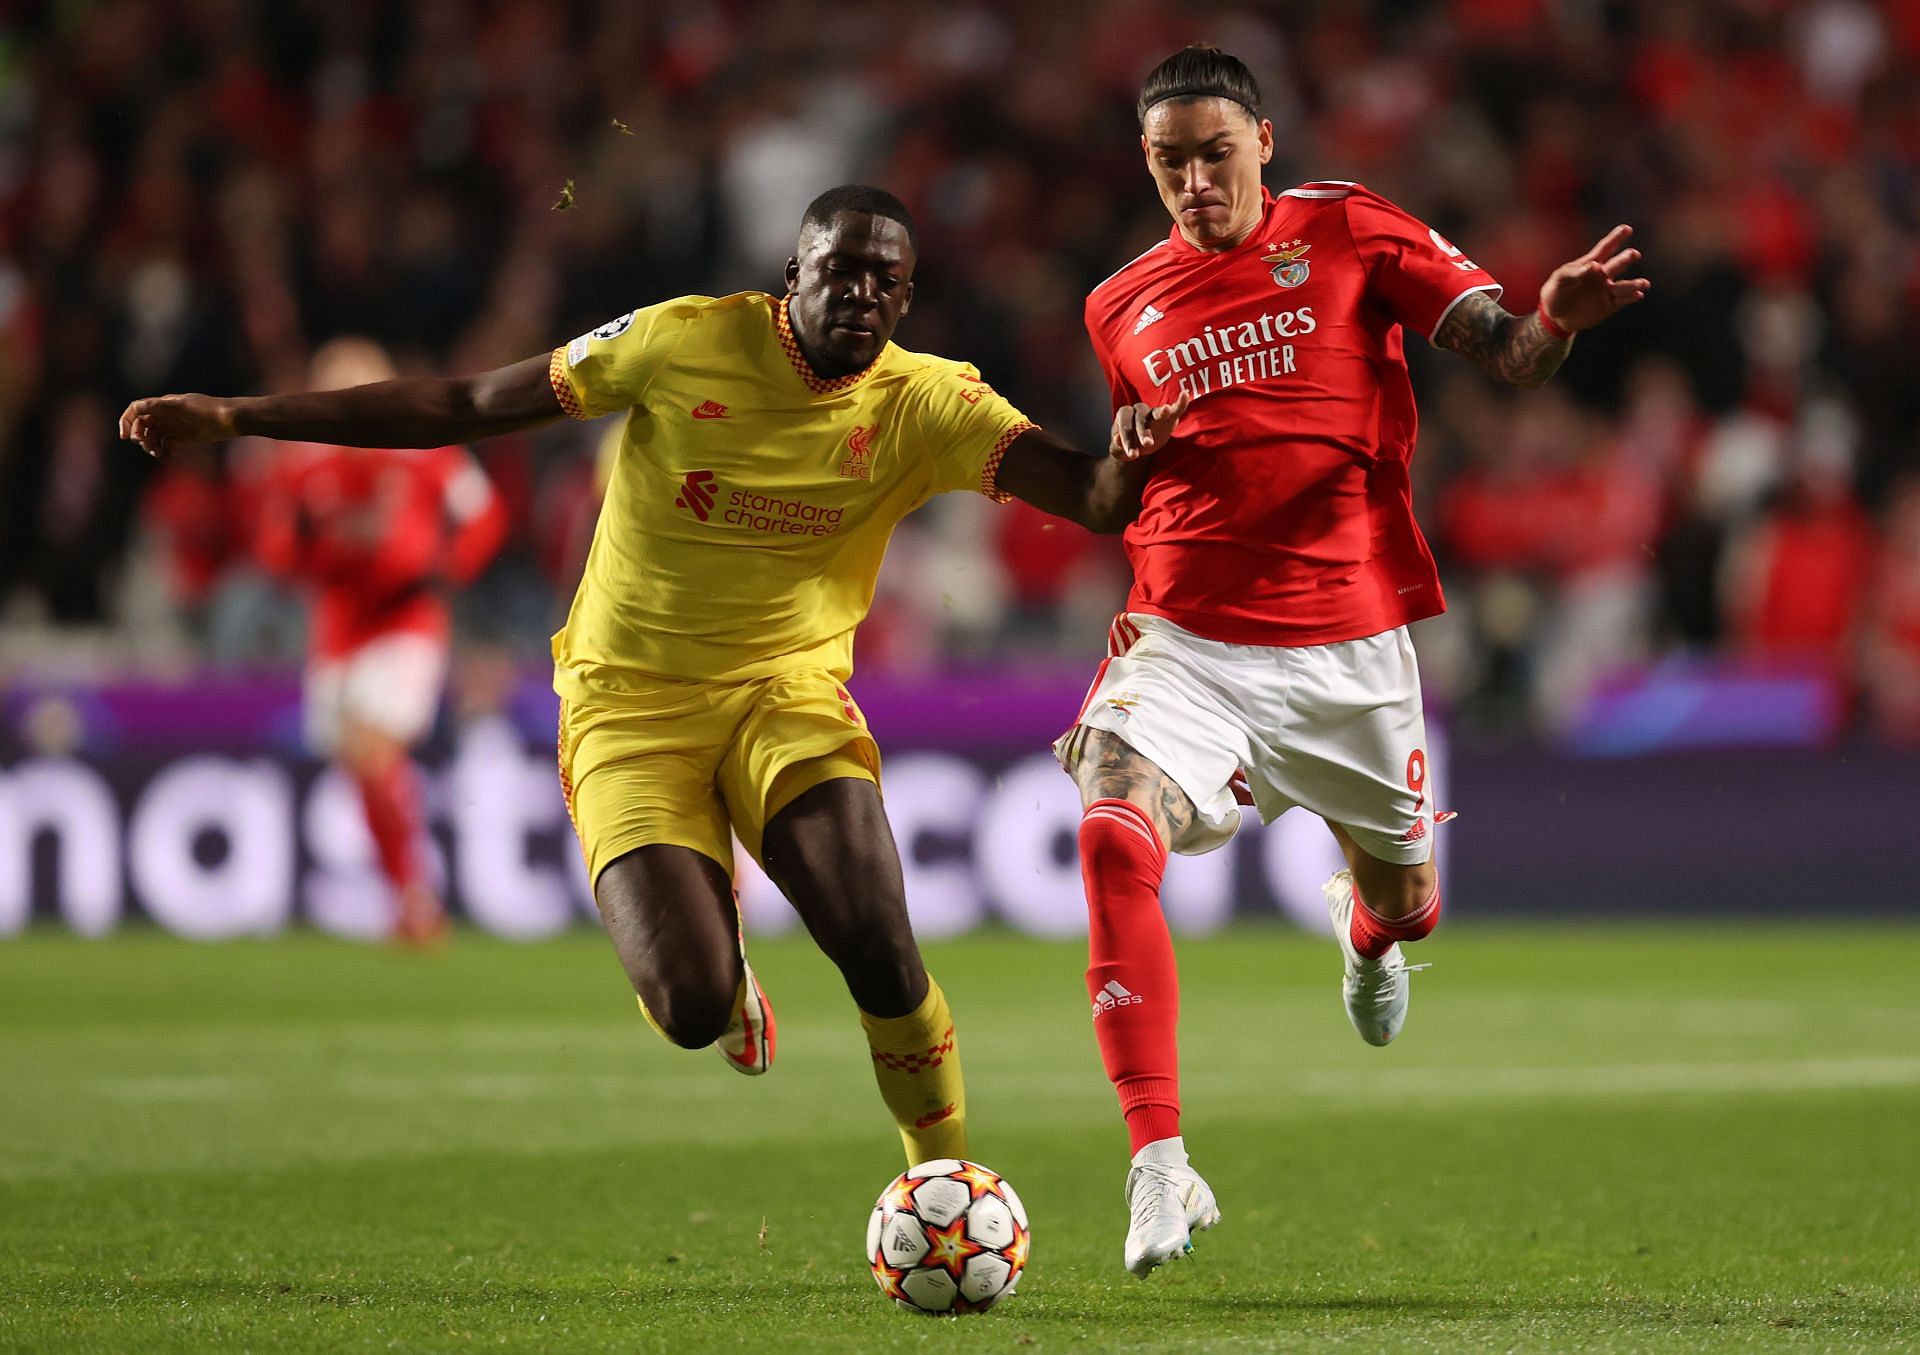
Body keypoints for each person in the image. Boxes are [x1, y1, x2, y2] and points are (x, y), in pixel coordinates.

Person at [121, 185, 1186, 1171]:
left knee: (876, 940)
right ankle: (721, 980)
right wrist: (240, 417)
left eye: (885, 281)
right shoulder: (679, 340)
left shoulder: (930, 404)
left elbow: (1093, 496)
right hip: (627, 707)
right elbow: (467, 404)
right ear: (793, 274)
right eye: (840, 272)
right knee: (686, 1000)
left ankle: (945, 1173)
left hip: (787, 698)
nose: (861, 296)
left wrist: (1143, 439)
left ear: (907, 297)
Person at [1055, 47, 1650, 1276]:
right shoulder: (1121, 305)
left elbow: (1504, 350)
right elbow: (1117, 494)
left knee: (1408, 896)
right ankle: (1159, 1160)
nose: (1195, 180)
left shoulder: (1349, 231)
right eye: (1170, 161)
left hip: (1349, 648)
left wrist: (1553, 318)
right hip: (1188, 635)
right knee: (1113, 824)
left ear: (1266, 141)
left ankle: (1370, 935)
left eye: (1217, 152)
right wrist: (1125, 447)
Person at [253, 338, 507, 945]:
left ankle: (415, 901)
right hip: (338, 626)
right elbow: (275, 549)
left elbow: (483, 516)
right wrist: (308, 549)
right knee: (357, 764)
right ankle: (404, 894)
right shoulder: (301, 464)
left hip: (405, 620)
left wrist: (447, 565)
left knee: (372, 749)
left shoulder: (427, 450)